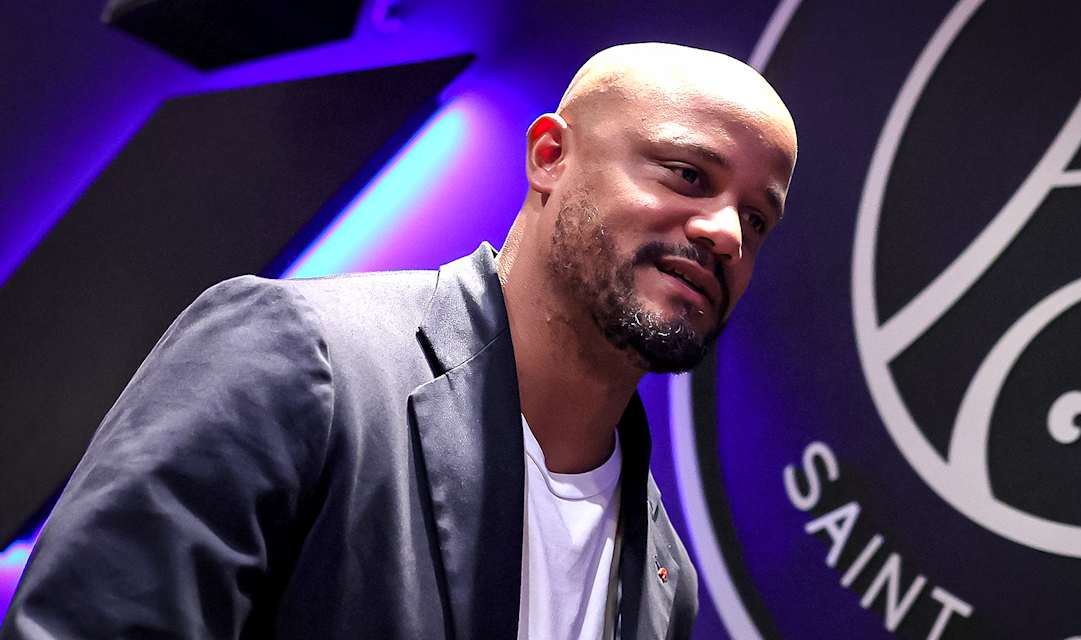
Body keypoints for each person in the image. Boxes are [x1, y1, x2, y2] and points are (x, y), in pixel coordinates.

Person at [1, 42, 797, 639]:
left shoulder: (665, 576)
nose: (726, 233)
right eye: (687, 175)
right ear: (550, 156)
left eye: (757, 218)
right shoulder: (297, 355)